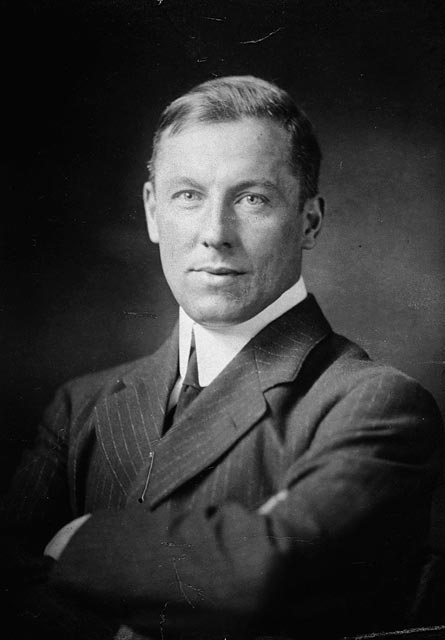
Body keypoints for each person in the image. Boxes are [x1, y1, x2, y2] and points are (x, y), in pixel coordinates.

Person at [1, 75, 443, 640]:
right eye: (188, 195)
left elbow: (274, 572)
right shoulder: (80, 404)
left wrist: (82, 543)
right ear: (153, 211)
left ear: (309, 221)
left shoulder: (375, 402)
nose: (215, 233)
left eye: (252, 199)